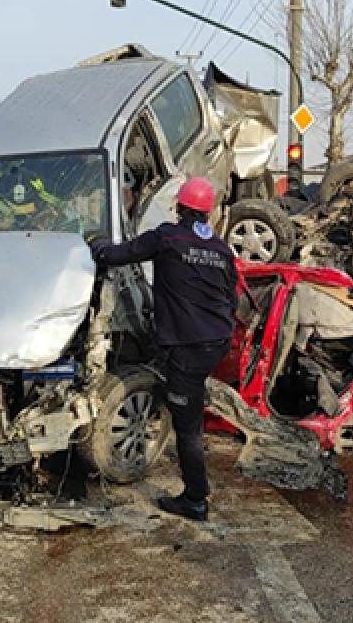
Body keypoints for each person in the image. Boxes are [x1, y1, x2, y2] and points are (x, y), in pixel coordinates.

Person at [88, 177, 238, 522]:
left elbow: (117, 255)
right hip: (216, 342)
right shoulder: (221, 250)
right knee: (186, 399)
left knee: (188, 426)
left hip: (188, 346)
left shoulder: (167, 237)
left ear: (179, 207)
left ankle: (195, 499)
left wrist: (95, 245)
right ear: (208, 212)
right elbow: (232, 298)